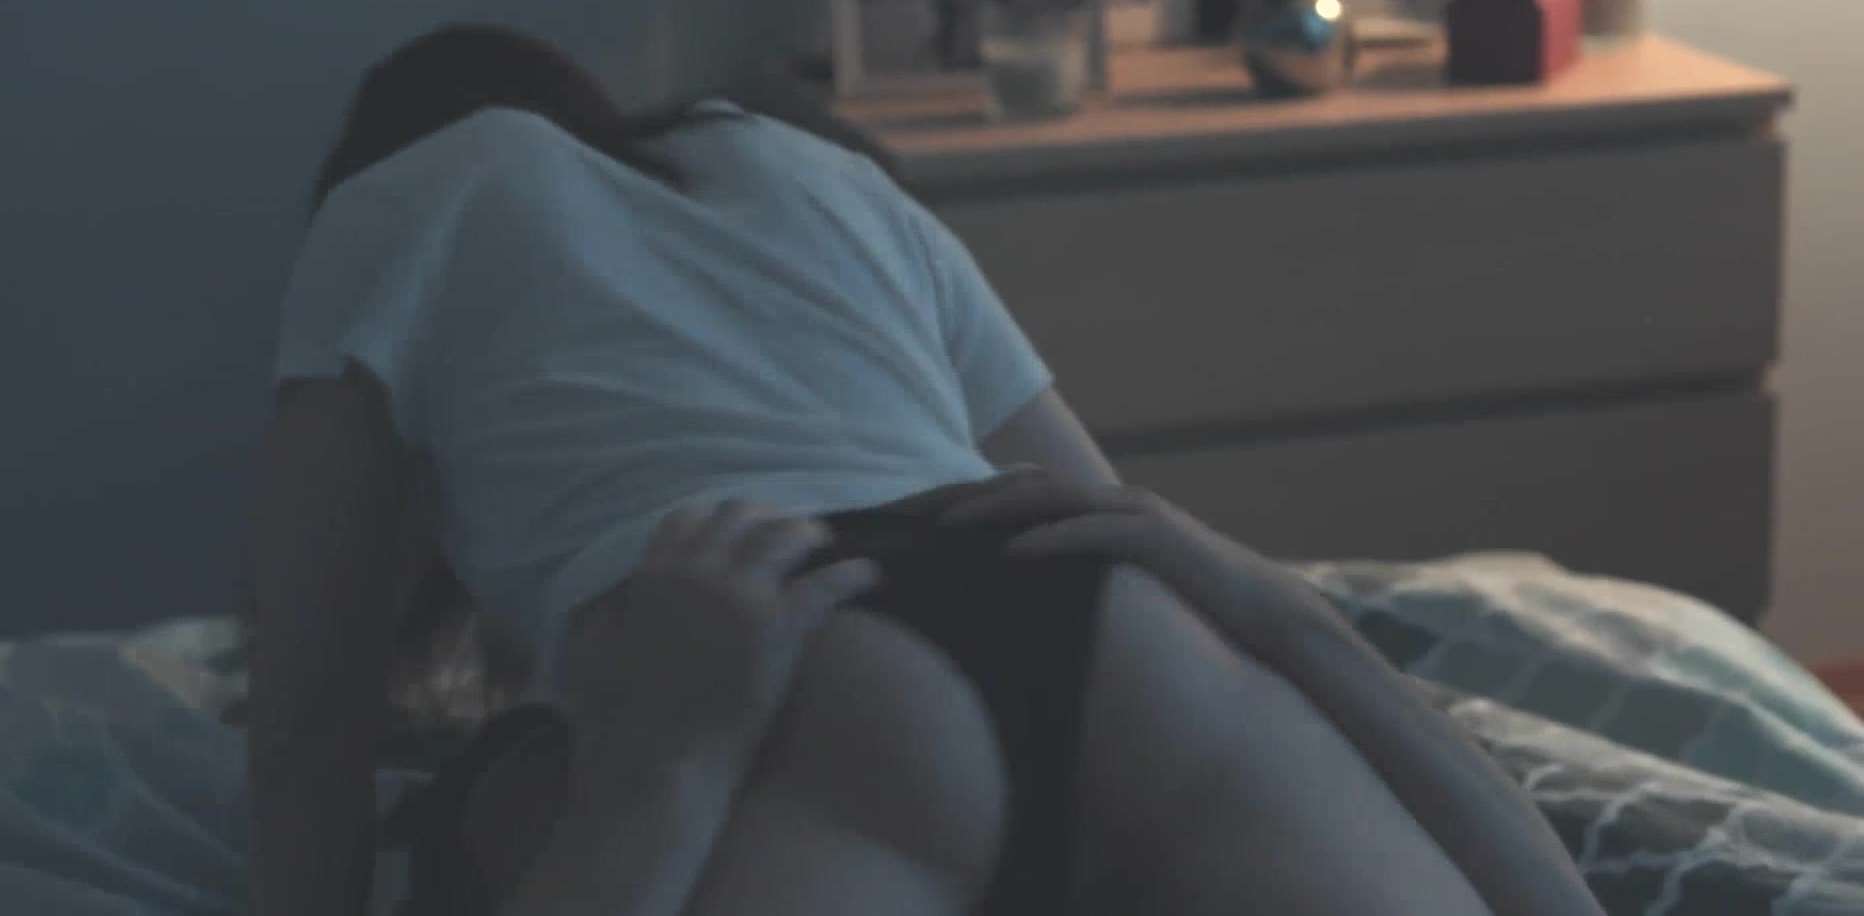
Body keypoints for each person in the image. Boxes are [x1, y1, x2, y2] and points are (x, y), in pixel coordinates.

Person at [248, 23, 1606, 916]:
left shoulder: (394, 202)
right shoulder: (811, 171)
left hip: (770, 646)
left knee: (489, 815)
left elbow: (311, 730)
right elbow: (1095, 514)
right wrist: (1283, 622)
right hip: (1112, 635)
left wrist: (664, 768)